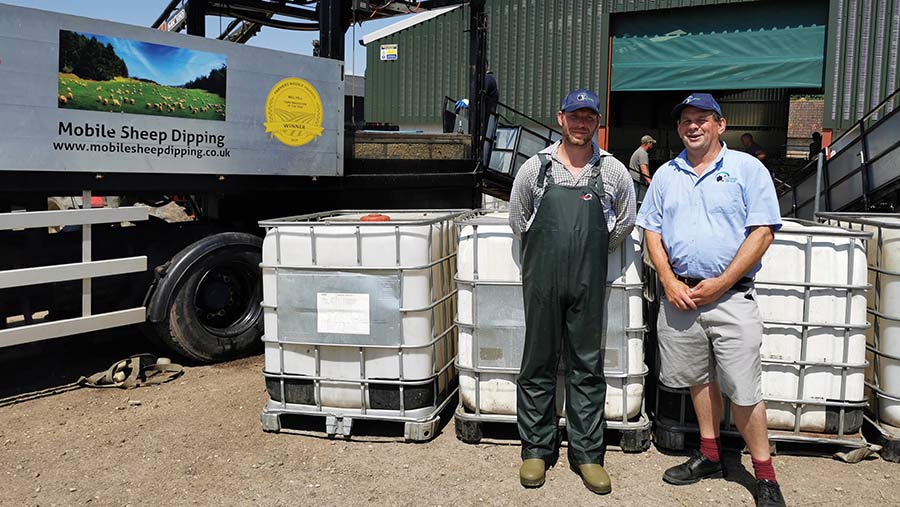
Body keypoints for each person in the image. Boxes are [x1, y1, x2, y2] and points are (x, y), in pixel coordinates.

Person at [636, 93, 786, 507]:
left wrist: (721, 283)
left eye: (702, 119)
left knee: (744, 389)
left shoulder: (747, 169)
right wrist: (667, 280)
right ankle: (710, 454)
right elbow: (651, 229)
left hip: (731, 298)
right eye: (686, 120)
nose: (693, 126)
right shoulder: (667, 173)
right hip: (682, 296)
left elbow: (762, 233)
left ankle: (765, 476)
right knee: (699, 380)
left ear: (720, 125)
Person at [509, 88, 636, 495]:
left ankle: (587, 455)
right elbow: (518, 220)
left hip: (588, 281)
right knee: (538, 362)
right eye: (575, 116)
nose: (582, 124)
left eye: (590, 117)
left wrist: (595, 249)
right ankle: (535, 448)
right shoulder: (536, 169)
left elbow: (625, 223)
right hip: (542, 282)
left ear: (597, 122)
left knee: (587, 365)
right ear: (560, 118)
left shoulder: (613, 171)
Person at [629, 135, 656, 201]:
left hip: (634, 181)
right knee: (641, 202)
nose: (652, 145)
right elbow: (643, 168)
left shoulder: (638, 151)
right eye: (651, 143)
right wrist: (650, 182)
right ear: (648, 143)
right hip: (638, 184)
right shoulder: (643, 153)